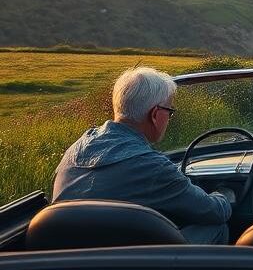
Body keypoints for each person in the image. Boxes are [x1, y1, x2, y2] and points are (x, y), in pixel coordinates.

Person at [52, 67, 233, 244]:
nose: (169, 118)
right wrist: (225, 194)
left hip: (70, 258)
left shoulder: (75, 149)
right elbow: (213, 211)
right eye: (169, 111)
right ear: (155, 114)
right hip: (132, 261)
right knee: (216, 227)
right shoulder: (153, 168)